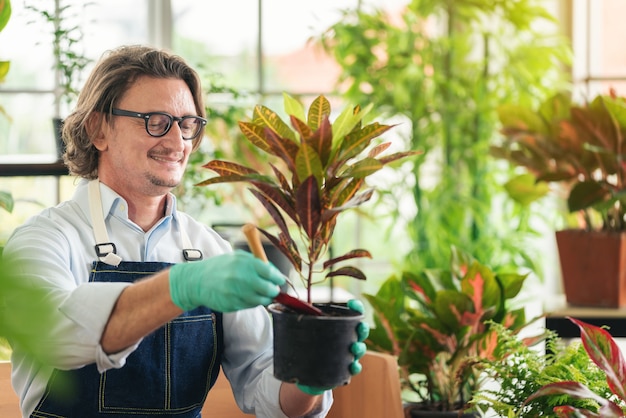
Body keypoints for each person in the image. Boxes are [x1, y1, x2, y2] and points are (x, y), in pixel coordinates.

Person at [1, 45, 367, 418]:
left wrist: (310, 371)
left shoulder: (209, 248)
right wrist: (181, 286)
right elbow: (56, 334)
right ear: (98, 129)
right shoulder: (43, 239)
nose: (178, 143)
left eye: (188, 124)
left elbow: (266, 391)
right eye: (156, 121)